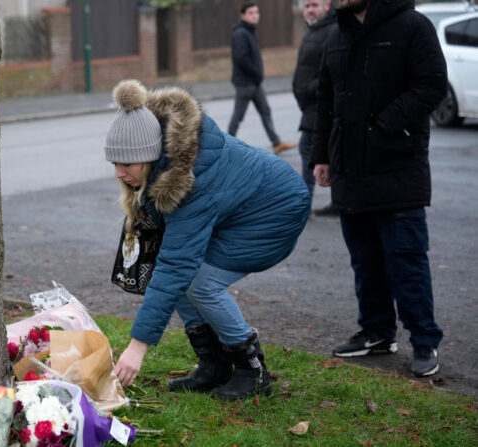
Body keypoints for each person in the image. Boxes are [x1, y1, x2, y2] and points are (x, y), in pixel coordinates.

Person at [106, 79, 310, 400]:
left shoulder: (188, 182)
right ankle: (213, 364)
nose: (118, 172)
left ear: (149, 156)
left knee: (199, 281)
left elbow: (176, 265)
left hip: (274, 212)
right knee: (184, 276)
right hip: (241, 207)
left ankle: (252, 370)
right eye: (114, 163)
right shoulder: (161, 160)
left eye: (126, 164)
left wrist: (137, 346)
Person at [312, 0, 446, 377]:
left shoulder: (412, 25)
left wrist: (385, 125)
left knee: (405, 259)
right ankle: (376, 332)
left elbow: (432, 84)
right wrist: (321, 155)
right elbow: (325, 97)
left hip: (396, 165)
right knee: (365, 259)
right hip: (349, 169)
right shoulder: (335, 34)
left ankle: (424, 340)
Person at [227, 2, 295, 154]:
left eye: (256, 12)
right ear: (243, 15)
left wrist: (257, 77)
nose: (255, 16)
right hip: (245, 83)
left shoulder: (249, 31)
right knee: (238, 116)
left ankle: (276, 142)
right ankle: (226, 145)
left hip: (254, 83)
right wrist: (257, 74)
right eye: (251, 13)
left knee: (265, 111)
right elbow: (241, 59)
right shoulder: (241, 33)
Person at [292, 0, 338, 217]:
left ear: (327, 5)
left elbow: (332, 70)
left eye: (314, 5)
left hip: (318, 105)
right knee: (319, 152)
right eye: (307, 5)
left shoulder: (331, 31)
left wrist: (310, 89)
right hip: (310, 106)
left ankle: (304, 205)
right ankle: (337, 202)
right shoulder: (314, 30)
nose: (310, 10)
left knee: (308, 150)